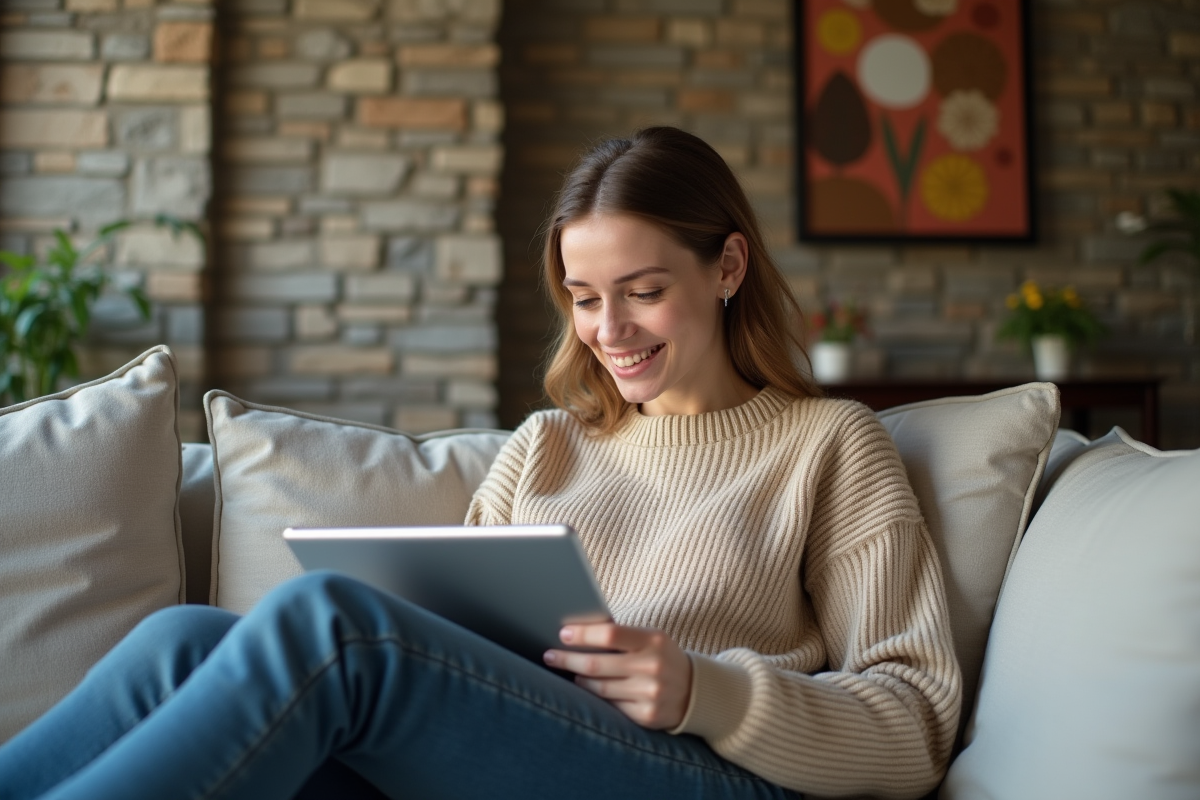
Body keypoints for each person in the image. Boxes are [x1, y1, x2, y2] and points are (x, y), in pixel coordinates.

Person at [0, 127, 961, 800]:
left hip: (712, 774)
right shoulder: (546, 445)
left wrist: (709, 690)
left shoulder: (830, 445)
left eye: (643, 291)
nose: (609, 331)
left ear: (728, 268)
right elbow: (446, 646)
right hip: (524, 754)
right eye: (585, 298)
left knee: (328, 624)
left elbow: (914, 723)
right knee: (183, 644)